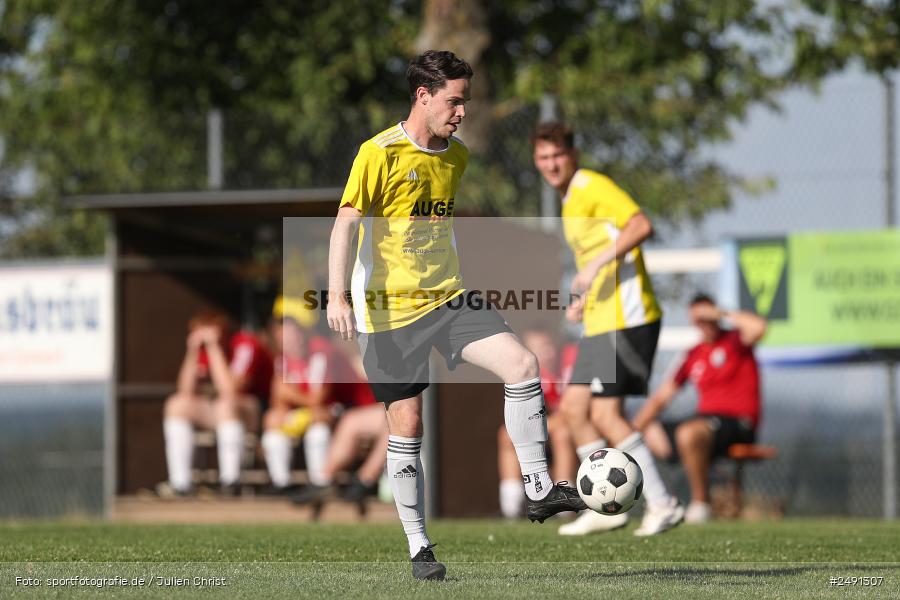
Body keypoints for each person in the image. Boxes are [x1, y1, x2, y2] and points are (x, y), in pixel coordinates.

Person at [326, 51, 586, 581]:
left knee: (523, 365)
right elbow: (345, 227)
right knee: (408, 423)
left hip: (449, 298)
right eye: (455, 100)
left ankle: (537, 488)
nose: (462, 111)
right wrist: (336, 297)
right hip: (388, 313)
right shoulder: (377, 153)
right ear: (424, 96)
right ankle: (420, 546)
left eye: (465, 100)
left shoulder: (456, 156)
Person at [532, 122, 684, 537]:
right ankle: (605, 507)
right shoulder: (568, 202)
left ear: (573, 155)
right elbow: (597, 257)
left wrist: (597, 265)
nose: (550, 164)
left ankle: (663, 503)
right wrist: (583, 299)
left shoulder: (593, 186)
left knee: (605, 413)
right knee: (575, 412)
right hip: (601, 322)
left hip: (628, 318)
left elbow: (640, 225)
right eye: (543, 158)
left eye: (557, 155)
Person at [633, 293, 767, 524]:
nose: (703, 323)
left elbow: (760, 327)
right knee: (651, 430)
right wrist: (628, 435)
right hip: (704, 422)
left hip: (738, 422)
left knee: (689, 432)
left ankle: (701, 503)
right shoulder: (692, 354)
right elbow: (661, 398)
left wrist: (721, 312)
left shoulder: (735, 340)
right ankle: (698, 476)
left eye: (706, 317)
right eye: (698, 319)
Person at [261, 297, 377, 497]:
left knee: (318, 431)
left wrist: (288, 394)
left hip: (357, 407)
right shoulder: (283, 358)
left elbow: (318, 400)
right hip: (325, 411)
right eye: (280, 329)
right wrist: (282, 410)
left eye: (290, 328)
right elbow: (279, 403)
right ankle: (281, 485)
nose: (285, 335)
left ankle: (320, 484)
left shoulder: (321, 350)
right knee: (273, 433)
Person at [161, 308, 273, 496]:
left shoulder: (245, 344)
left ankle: (230, 482)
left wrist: (214, 348)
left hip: (254, 411)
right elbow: (185, 390)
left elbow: (230, 390)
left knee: (225, 405)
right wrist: (192, 352)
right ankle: (180, 484)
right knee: (176, 405)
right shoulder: (201, 350)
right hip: (217, 410)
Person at [497, 330, 577, 518]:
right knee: (506, 434)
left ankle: (564, 502)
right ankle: (511, 505)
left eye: (547, 347)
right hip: (545, 431)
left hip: (573, 431)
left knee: (562, 433)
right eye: (538, 349)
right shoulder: (528, 375)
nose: (546, 353)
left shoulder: (568, 366)